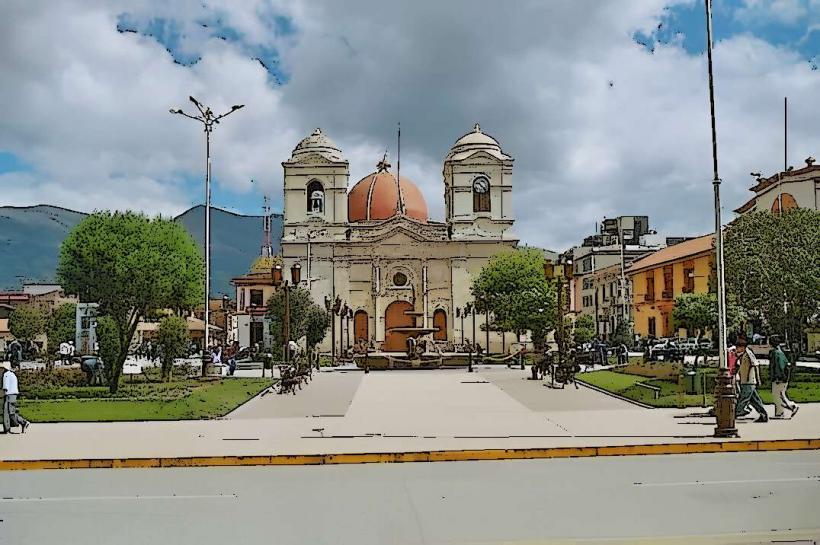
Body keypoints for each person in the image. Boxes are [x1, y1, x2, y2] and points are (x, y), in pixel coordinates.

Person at [734, 337, 768, 422]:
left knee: (743, 398)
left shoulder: (749, 354)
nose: (736, 349)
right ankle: (763, 415)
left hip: (749, 381)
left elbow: (755, 365)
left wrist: (758, 378)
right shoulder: (743, 355)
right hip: (745, 381)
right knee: (755, 401)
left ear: (742, 347)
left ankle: (739, 412)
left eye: (738, 347)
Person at [768, 335, 799, 419]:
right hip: (784, 377)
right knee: (781, 395)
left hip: (779, 378)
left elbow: (778, 366)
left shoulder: (776, 353)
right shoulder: (780, 352)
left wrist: (777, 377)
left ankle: (790, 407)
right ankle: (780, 412)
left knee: (777, 396)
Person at [2, 361, 30, 434]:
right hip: (13, 395)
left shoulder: (6, 375)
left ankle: (22, 422)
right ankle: (7, 428)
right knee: (10, 412)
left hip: (9, 395)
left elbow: (6, 387)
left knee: (8, 413)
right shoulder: (12, 375)